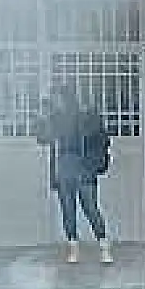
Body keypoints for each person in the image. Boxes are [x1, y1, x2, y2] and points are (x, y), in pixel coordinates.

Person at [35, 82, 114, 265]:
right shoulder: (55, 118)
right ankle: (73, 248)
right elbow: (43, 139)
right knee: (68, 211)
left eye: (56, 97)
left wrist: (93, 118)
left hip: (84, 167)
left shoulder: (85, 115)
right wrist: (41, 119)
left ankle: (104, 246)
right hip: (63, 167)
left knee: (90, 209)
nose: (54, 101)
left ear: (65, 97)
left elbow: (101, 136)